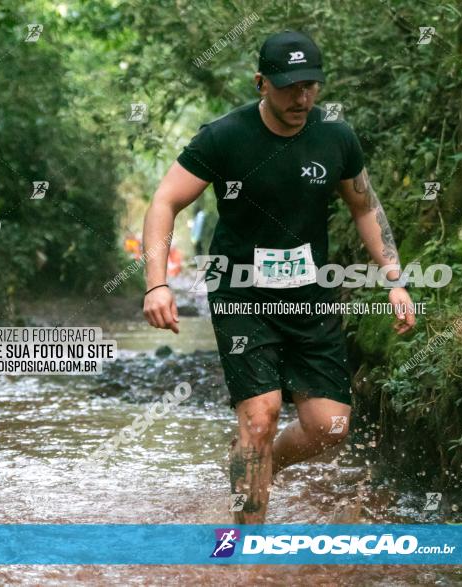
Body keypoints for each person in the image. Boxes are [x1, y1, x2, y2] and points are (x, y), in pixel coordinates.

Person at [141, 30, 416, 523]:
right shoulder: (224, 137)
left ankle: (259, 463)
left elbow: (364, 206)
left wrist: (394, 278)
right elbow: (165, 202)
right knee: (260, 415)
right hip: (240, 292)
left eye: (310, 85)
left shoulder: (336, 137)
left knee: (330, 426)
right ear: (261, 83)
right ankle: (246, 549)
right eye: (289, 86)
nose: (302, 97)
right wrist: (157, 282)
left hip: (310, 296)